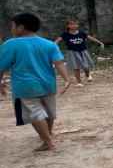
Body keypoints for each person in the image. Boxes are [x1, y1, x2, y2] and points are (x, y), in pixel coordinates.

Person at [0, 13, 73, 151]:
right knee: (49, 112)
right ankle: (48, 135)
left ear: (21, 27)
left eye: (13, 26)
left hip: (25, 86)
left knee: (35, 113)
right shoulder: (49, 44)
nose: (12, 29)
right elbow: (59, 63)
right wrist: (67, 79)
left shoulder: (10, 45)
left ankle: (48, 142)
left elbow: (1, 66)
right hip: (48, 84)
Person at [55, 19, 104, 86]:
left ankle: (88, 75)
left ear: (77, 25)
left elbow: (90, 37)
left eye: (75, 24)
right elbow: (57, 41)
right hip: (72, 52)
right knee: (76, 67)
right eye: (71, 24)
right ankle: (79, 82)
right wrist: (51, 46)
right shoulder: (65, 34)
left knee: (86, 66)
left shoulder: (81, 33)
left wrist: (99, 42)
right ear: (68, 26)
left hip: (83, 51)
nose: (74, 25)